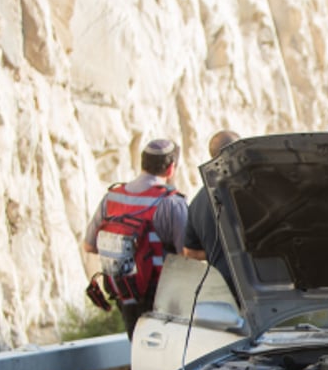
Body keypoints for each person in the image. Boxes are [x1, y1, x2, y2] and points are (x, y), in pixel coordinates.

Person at [83, 138, 187, 338]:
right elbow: (187, 254)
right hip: (159, 295)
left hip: (123, 291)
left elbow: (89, 245)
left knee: (137, 347)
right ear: (171, 168)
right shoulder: (171, 203)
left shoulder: (112, 197)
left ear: (143, 163)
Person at [183, 130, 241, 290]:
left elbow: (190, 253)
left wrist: (217, 253)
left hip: (223, 289)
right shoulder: (255, 190)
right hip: (264, 289)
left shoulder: (196, 202)